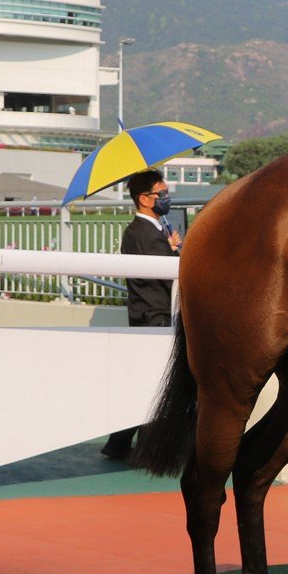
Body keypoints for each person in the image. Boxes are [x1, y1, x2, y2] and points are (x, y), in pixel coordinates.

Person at [101, 169, 181, 461]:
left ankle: (119, 444)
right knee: (154, 385)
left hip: (148, 313)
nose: (166, 198)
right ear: (144, 199)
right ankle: (147, 449)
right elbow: (164, 276)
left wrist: (169, 248)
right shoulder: (144, 233)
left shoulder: (148, 232)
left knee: (144, 383)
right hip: (154, 315)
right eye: (161, 194)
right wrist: (174, 254)